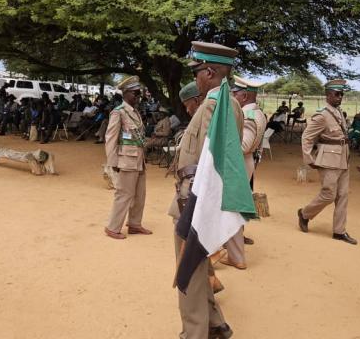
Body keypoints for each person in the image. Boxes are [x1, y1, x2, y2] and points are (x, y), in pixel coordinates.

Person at [168, 42, 241, 339]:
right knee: (198, 267)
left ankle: (194, 332)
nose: (195, 78)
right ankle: (215, 324)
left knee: (191, 272)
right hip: (196, 200)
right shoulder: (223, 102)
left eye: (197, 71)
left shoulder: (214, 105)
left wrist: (190, 205)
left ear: (209, 72)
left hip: (194, 202)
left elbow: (209, 165)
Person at [297, 79, 358, 245]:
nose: (340, 97)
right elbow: (307, 137)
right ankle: (304, 214)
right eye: (337, 94)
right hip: (328, 159)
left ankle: (339, 231)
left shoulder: (338, 112)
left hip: (343, 158)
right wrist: (309, 159)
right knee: (328, 194)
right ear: (328, 95)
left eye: (341, 94)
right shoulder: (322, 115)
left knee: (343, 196)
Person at [221, 75, 267, 271]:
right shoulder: (258, 113)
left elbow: (243, 146)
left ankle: (234, 255)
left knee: (229, 208)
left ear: (244, 95)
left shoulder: (247, 115)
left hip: (238, 165)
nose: (232, 96)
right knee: (232, 207)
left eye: (235, 93)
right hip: (246, 164)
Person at [103, 76, 152, 240]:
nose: (138, 97)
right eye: (135, 94)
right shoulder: (119, 113)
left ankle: (134, 224)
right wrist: (113, 162)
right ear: (125, 93)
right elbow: (111, 139)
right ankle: (112, 227)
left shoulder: (135, 112)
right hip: (126, 160)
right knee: (124, 194)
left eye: (139, 94)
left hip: (139, 159)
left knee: (140, 194)